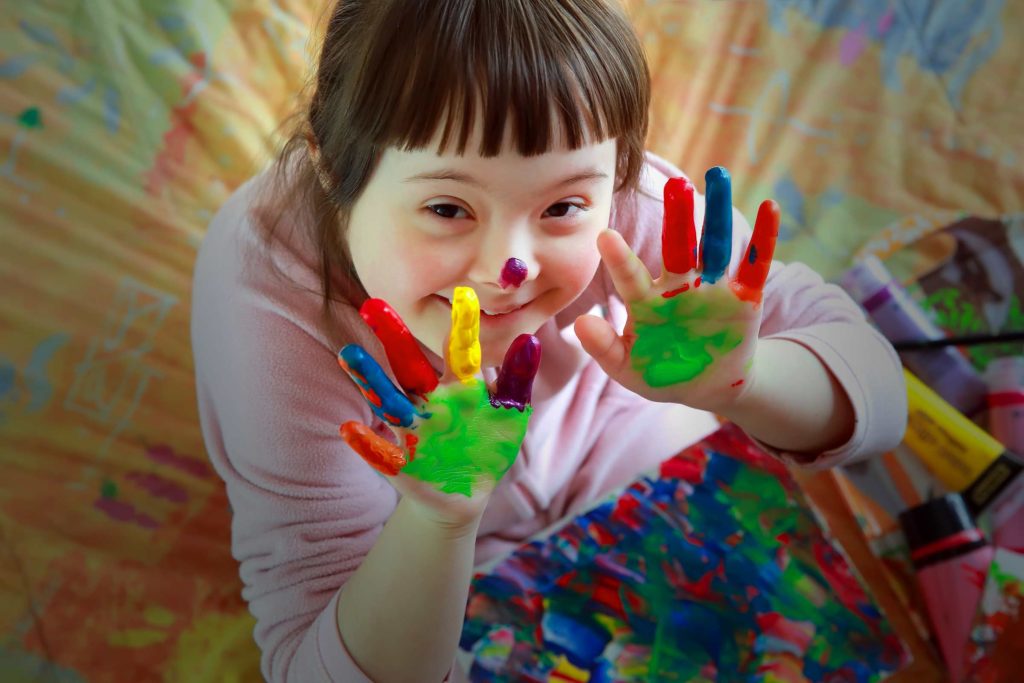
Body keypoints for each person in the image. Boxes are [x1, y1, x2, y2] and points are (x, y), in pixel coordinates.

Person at [190, 1, 907, 681]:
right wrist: (437, 518)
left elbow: (882, 400)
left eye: (562, 205)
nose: (510, 268)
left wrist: (741, 381)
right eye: (447, 207)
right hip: (413, 558)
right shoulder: (268, 309)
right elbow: (314, 663)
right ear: (330, 166)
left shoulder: (635, 214)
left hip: (624, 447)